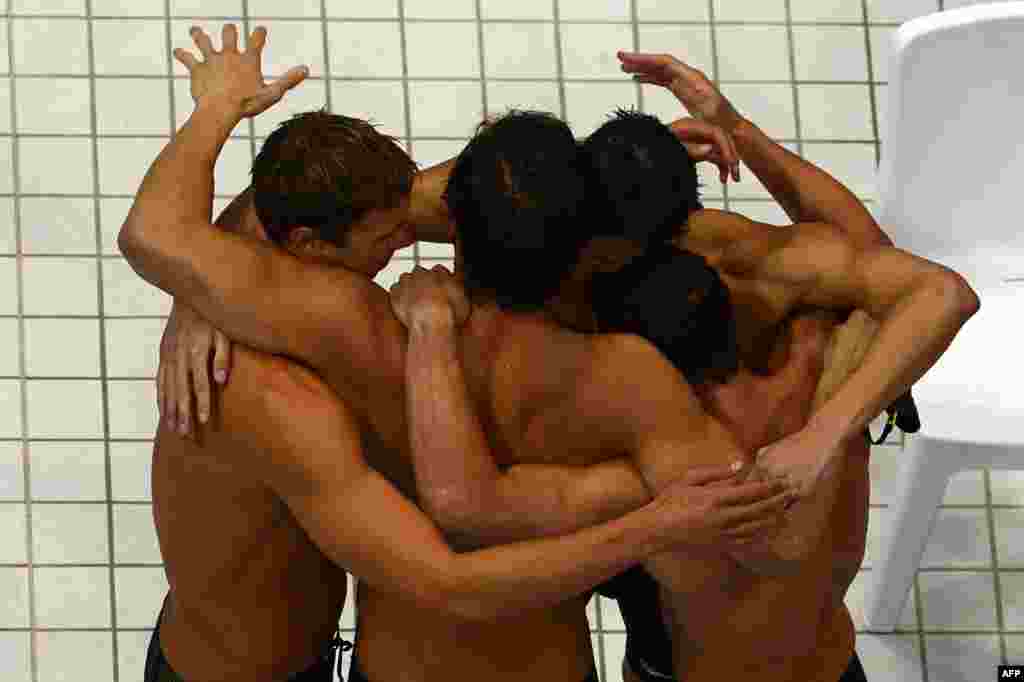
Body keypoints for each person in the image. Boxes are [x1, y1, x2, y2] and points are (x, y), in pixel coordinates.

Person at [126, 25, 976, 682]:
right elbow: (782, 544)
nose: (391, 253)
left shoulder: (377, 329)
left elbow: (466, 509)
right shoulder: (634, 377)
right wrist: (200, 295)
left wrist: (212, 279)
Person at [397, 52, 979, 682]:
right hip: (736, 603)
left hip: (693, 608)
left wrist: (825, 429)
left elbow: (474, 506)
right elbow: (885, 271)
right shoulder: (804, 338)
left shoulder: (705, 295)